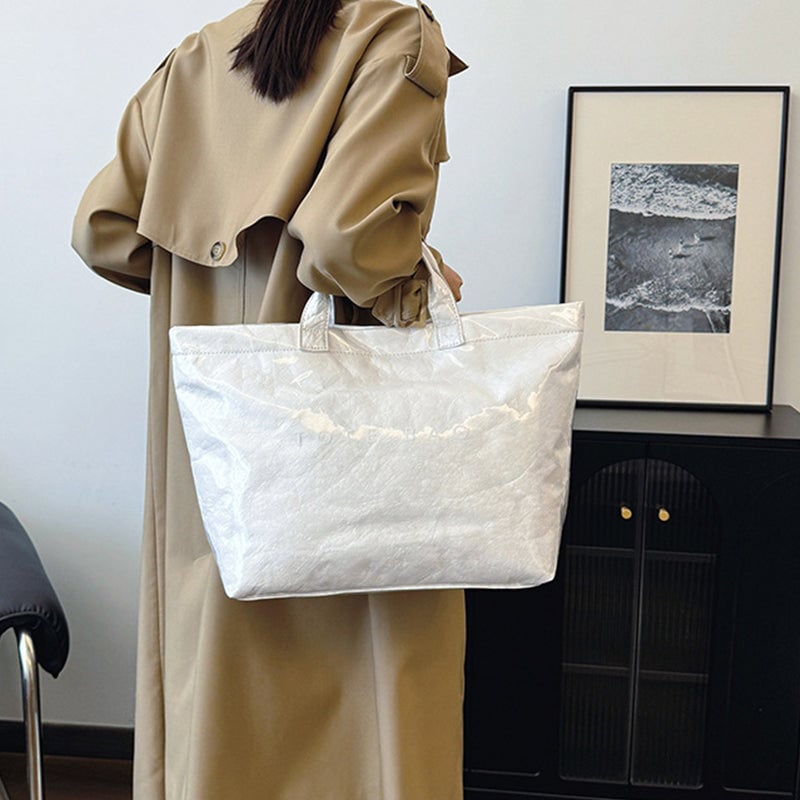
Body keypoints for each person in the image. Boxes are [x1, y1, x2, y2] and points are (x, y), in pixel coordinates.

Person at [71, 0, 466, 798]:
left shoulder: (200, 55)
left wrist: (204, 287)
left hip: (207, 435)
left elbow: (101, 228)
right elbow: (348, 242)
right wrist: (423, 283)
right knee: (367, 703)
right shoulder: (394, 30)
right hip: (344, 440)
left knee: (217, 685)